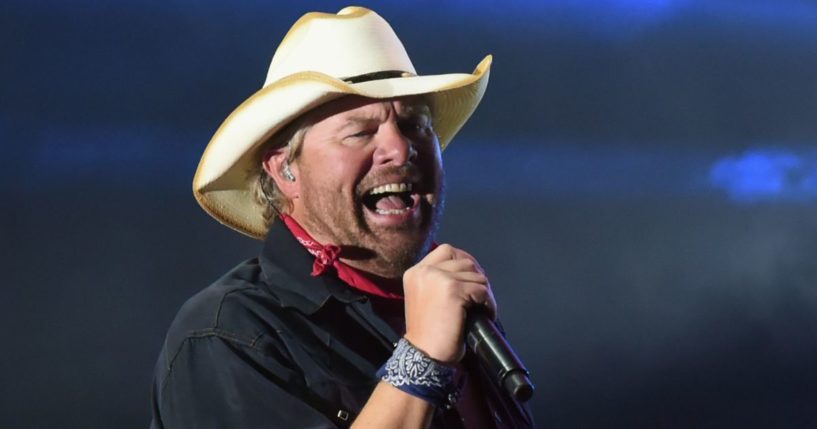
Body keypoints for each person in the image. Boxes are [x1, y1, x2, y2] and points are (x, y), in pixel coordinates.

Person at [150, 6, 534, 429]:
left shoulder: (456, 317)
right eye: (361, 132)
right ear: (284, 169)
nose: (401, 149)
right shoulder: (227, 334)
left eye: (415, 125)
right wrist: (422, 359)